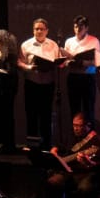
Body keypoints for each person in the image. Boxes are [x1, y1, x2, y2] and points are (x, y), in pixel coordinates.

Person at [43, 112, 100, 198]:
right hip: (70, 171)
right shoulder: (72, 135)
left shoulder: (97, 141)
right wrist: (55, 149)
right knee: (52, 183)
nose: (76, 129)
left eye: (79, 126)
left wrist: (89, 162)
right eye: (74, 125)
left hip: (89, 173)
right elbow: (62, 146)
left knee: (86, 188)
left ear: (88, 126)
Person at [19, 18, 61, 149]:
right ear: (33, 30)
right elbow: (19, 62)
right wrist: (28, 67)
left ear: (47, 31)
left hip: (48, 83)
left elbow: (59, 61)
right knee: (32, 115)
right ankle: (32, 146)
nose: (39, 31)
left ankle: (46, 145)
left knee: (46, 115)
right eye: (36, 29)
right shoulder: (26, 45)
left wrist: (58, 64)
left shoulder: (53, 45)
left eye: (41, 29)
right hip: (32, 83)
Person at [62, 15, 100, 124]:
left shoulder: (94, 41)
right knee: (74, 109)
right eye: (75, 27)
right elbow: (65, 60)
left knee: (88, 109)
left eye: (80, 27)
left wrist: (82, 62)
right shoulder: (69, 41)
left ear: (86, 28)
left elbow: (97, 61)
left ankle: (90, 139)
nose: (77, 29)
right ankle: (76, 139)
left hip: (87, 78)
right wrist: (68, 62)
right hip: (73, 77)